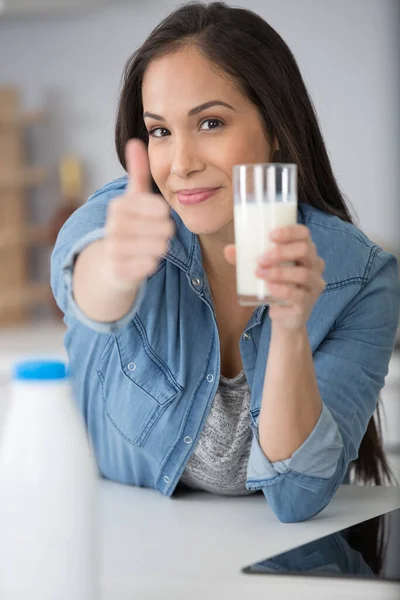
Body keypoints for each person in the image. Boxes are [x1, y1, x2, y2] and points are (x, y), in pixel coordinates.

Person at [51, 1, 399, 523]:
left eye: (210, 122)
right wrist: (117, 271)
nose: (183, 164)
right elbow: (86, 288)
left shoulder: (360, 279)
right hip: (108, 533)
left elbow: (298, 497)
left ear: (275, 126)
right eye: (161, 131)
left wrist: (289, 332)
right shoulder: (124, 218)